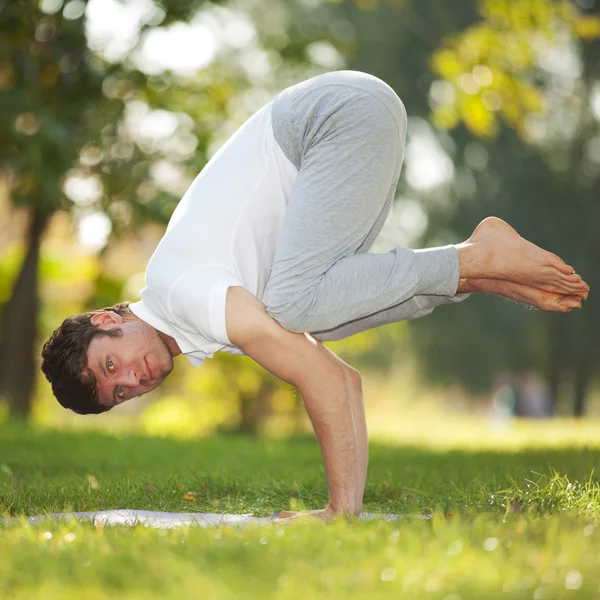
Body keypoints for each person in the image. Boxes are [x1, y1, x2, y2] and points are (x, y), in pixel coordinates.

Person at [41, 70, 589, 523]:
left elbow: (319, 378)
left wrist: (339, 511)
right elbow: (344, 380)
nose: (131, 380)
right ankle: (479, 270)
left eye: (111, 363)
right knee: (315, 315)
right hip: (351, 122)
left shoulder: (182, 296)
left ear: (105, 317)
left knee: (294, 309)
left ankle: (476, 257)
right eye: (118, 393)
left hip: (333, 119)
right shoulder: (198, 325)